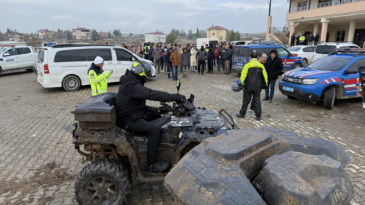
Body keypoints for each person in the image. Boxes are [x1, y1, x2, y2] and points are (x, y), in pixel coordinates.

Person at [115, 62, 186, 172]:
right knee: (154, 130)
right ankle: (151, 164)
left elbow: (139, 105)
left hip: (133, 115)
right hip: (128, 120)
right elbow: (151, 94)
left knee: (157, 116)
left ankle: (164, 145)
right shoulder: (131, 86)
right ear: (142, 73)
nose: (148, 76)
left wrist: (156, 110)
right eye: (147, 73)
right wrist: (173, 97)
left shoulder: (131, 82)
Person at [236, 52, 268, 121]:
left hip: (248, 87)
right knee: (257, 101)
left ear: (250, 57)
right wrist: (266, 85)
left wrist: (240, 84)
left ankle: (242, 114)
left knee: (245, 100)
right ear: (257, 58)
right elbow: (265, 76)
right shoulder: (261, 66)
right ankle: (258, 116)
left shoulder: (247, 65)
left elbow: (243, 76)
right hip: (257, 87)